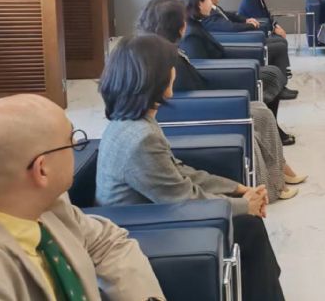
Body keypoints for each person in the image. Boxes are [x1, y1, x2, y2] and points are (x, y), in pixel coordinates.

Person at [95, 35, 285, 301]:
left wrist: (238, 189)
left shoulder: (133, 120)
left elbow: (179, 170)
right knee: (248, 226)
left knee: (248, 225)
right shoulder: (140, 139)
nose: (175, 72)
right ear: (155, 75)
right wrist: (245, 205)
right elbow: (182, 198)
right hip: (144, 225)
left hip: (154, 209)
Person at [0, 94, 165, 300]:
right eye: (70, 140)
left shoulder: (45, 205)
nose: (76, 143)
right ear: (42, 169)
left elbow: (107, 242)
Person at [136, 0, 306, 197]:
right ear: (176, 25)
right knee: (259, 117)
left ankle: (279, 172)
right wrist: (223, 103)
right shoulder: (163, 56)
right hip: (197, 111)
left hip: (203, 102)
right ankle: (272, 186)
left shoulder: (165, 49)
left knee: (262, 111)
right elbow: (179, 97)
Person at [180, 0, 297, 101]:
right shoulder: (191, 34)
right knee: (272, 75)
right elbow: (202, 68)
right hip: (222, 74)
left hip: (225, 65)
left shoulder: (195, 24)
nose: (210, 3)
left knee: (273, 72)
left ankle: (271, 99)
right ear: (199, 4)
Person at [197, 0, 294, 82]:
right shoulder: (207, 15)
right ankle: (281, 78)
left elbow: (231, 15)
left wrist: (246, 20)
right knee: (279, 46)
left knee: (280, 43)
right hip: (237, 43)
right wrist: (250, 25)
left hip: (242, 38)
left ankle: (281, 76)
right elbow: (229, 27)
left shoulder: (215, 8)